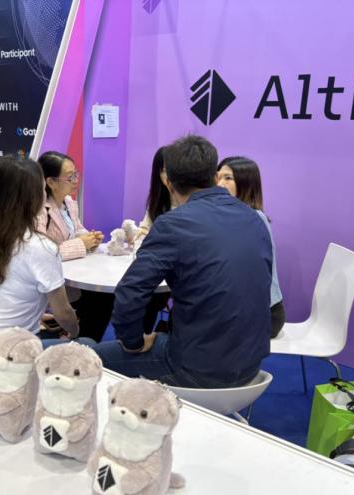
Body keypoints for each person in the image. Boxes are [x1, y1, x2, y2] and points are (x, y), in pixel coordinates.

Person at [92, 135, 272, 388]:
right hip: (251, 365)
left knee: (87, 358)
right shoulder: (254, 218)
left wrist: (133, 343)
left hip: (197, 368)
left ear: (169, 182)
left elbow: (130, 293)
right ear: (214, 176)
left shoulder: (172, 224)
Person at [0, 155, 86, 346]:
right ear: (34, 197)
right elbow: (64, 314)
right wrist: (74, 333)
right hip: (14, 350)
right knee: (88, 343)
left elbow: (5, 293)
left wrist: (36, 316)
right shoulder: (40, 247)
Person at [36, 151, 113, 341]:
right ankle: (80, 341)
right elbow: (41, 252)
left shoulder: (69, 202)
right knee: (100, 301)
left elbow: (76, 229)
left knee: (105, 297)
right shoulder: (38, 209)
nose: (75, 180)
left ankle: (84, 340)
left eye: (76, 174)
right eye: (70, 177)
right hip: (54, 281)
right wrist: (81, 244)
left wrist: (90, 237)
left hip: (74, 271)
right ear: (51, 182)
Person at [216, 157, 285, 338]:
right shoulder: (229, 216)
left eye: (228, 178)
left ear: (245, 183)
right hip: (242, 308)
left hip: (264, 314)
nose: (219, 184)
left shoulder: (253, 219)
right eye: (218, 177)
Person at [135, 146, 174, 334]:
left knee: (148, 298)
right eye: (164, 171)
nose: (168, 176)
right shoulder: (159, 200)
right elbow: (144, 230)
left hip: (179, 273)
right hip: (157, 267)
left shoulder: (192, 203)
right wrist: (138, 235)